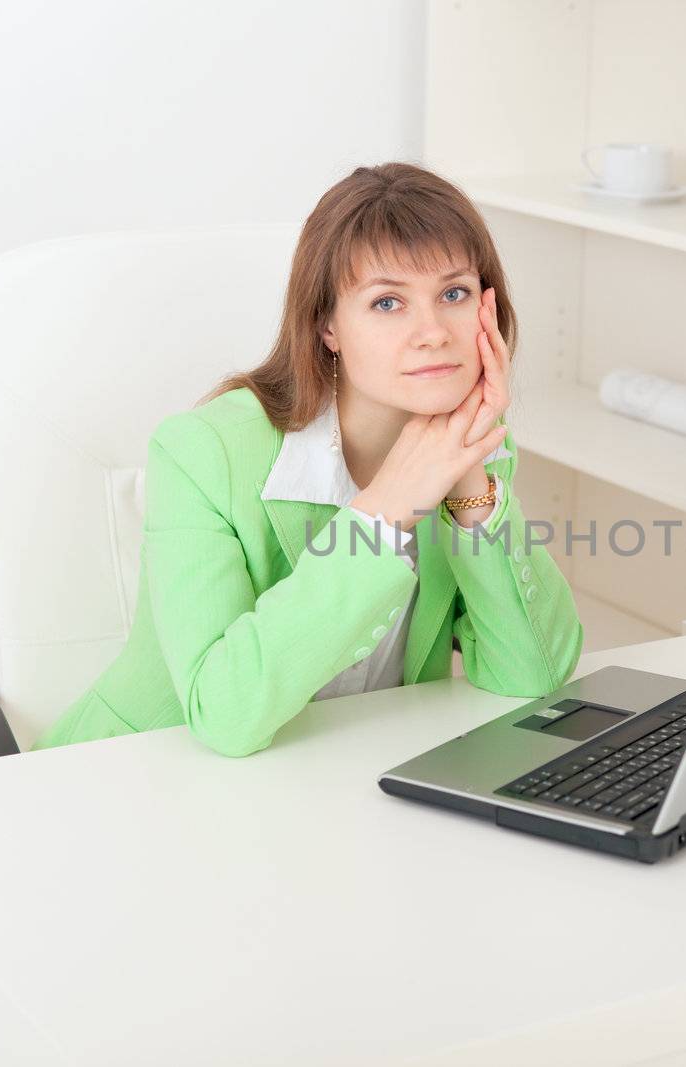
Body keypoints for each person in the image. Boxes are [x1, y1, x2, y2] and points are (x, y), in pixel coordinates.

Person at [31, 162, 584, 756]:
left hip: (337, 785)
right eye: (387, 303)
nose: (433, 332)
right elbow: (224, 715)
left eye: (454, 293)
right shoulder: (202, 454)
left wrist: (468, 476)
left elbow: (532, 675)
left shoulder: (470, 446)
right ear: (327, 326)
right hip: (131, 778)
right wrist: (387, 509)